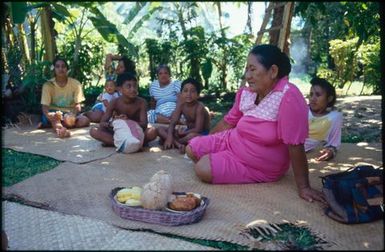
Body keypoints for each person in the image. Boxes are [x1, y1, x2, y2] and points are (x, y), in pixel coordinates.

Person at [185, 44, 326, 204]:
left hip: (258, 164)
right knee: (192, 148)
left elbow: (295, 145)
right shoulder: (248, 93)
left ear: (273, 71)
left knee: (202, 168)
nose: (247, 75)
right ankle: (219, 158)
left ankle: (223, 163)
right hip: (231, 140)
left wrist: (304, 187)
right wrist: (208, 141)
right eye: (247, 69)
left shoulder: (288, 96)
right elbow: (228, 121)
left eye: (252, 69)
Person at [89, 72, 157, 147]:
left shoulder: (142, 102)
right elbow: (102, 123)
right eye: (129, 86)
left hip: (136, 132)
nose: (133, 89)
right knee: (93, 131)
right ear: (120, 89)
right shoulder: (114, 102)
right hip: (119, 133)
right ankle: (129, 144)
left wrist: (128, 122)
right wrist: (114, 123)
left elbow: (144, 125)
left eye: (135, 86)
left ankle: (120, 143)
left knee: (152, 132)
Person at [38, 57, 90, 138]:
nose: (60, 69)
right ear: (54, 69)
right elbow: (45, 107)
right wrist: (49, 115)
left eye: (63, 66)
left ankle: (61, 124)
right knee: (55, 120)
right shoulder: (48, 85)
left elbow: (78, 105)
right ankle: (62, 131)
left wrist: (73, 115)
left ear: (67, 69)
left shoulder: (76, 84)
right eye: (57, 66)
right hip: (54, 112)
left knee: (85, 121)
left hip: (69, 113)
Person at [157, 78, 210, 153]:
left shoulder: (199, 107)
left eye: (192, 91)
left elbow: (198, 129)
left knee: (192, 136)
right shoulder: (181, 105)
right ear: (181, 93)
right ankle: (177, 144)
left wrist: (183, 133)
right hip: (186, 132)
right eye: (185, 91)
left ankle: (175, 142)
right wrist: (169, 136)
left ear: (198, 95)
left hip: (201, 134)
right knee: (160, 129)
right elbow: (172, 123)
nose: (188, 94)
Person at [305, 77, 343, 161]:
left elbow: (334, 143)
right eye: (311, 94)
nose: (312, 98)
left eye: (318, 95)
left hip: (305, 153)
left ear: (329, 98)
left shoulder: (335, 117)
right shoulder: (302, 110)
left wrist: (330, 152)